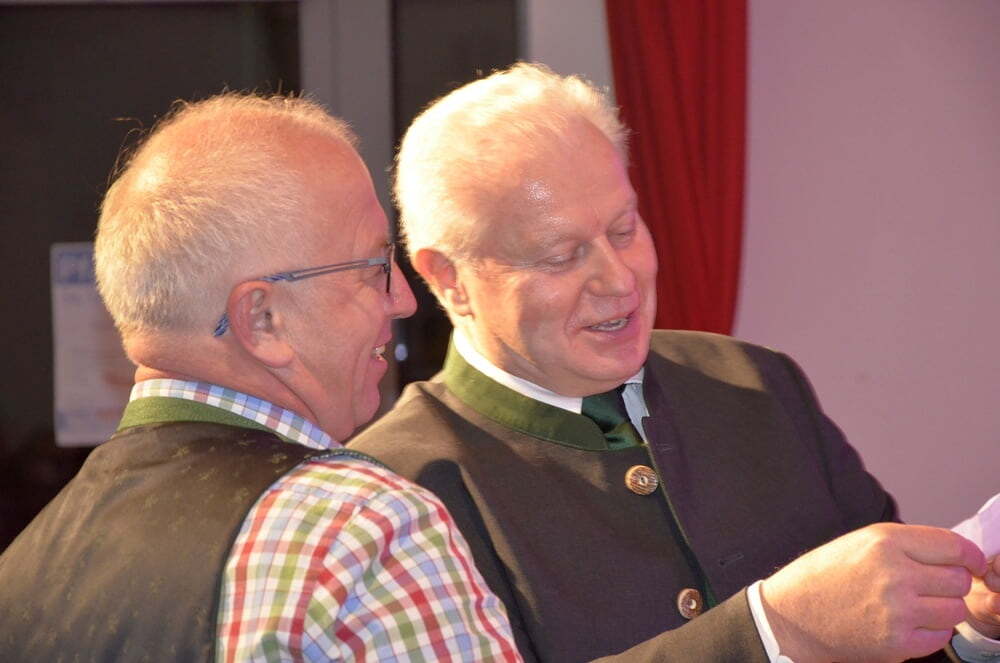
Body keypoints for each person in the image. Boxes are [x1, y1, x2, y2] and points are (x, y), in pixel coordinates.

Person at [348, 63, 1000, 662]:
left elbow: (897, 640)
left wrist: (972, 622)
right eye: (561, 255)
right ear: (450, 277)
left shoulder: (757, 384)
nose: (619, 278)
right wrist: (774, 630)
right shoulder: (394, 493)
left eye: (624, 228)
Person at [0, 93, 522, 662]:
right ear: (262, 319)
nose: (403, 300)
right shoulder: (361, 533)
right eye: (374, 268)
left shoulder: (22, 573)